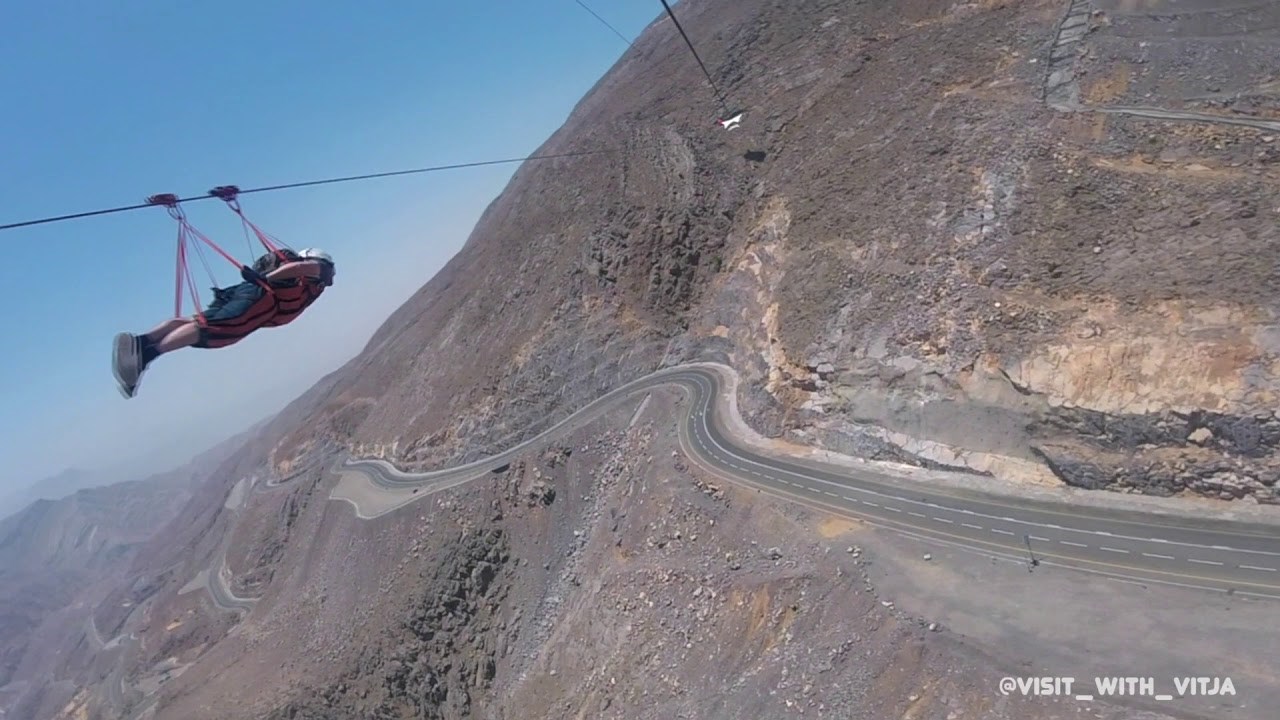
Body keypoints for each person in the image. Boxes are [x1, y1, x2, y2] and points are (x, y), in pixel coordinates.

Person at [112, 247, 335, 397]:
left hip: (254, 293)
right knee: (213, 328)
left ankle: (142, 341)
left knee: (198, 320)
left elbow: (295, 270)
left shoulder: (308, 281)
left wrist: (262, 280)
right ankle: (147, 354)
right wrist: (265, 279)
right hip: (260, 298)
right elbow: (298, 268)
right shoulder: (316, 270)